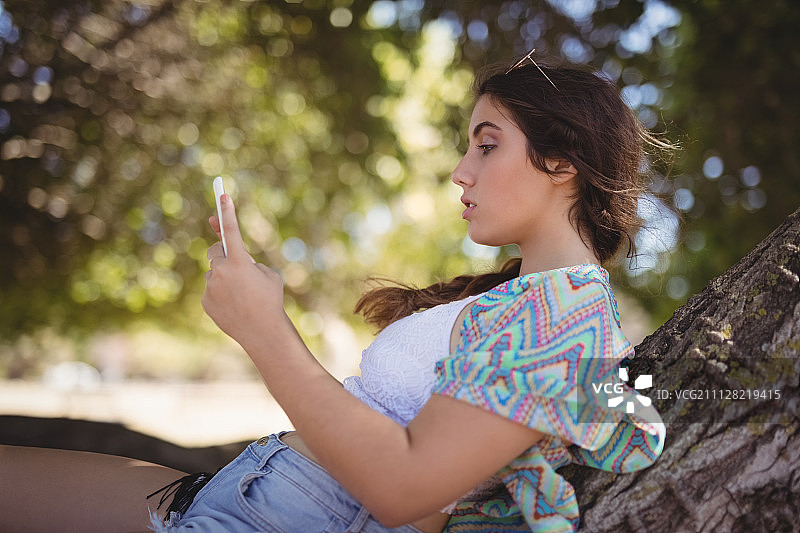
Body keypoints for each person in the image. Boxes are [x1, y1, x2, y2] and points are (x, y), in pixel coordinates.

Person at [0, 51, 666, 533]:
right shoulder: (525, 299)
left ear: (561, 162)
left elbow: (405, 488)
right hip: (258, 485)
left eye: (486, 146)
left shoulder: (568, 316)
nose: (461, 172)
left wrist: (263, 329)